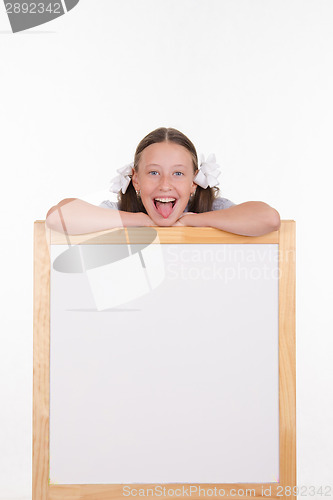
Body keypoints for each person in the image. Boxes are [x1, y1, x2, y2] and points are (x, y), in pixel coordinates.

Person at [46, 127, 280, 236]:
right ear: (136, 179)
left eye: (178, 173)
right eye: (154, 173)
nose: (165, 184)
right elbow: (58, 217)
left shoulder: (212, 212)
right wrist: (139, 220)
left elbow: (268, 218)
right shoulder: (121, 214)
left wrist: (193, 222)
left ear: (194, 182)